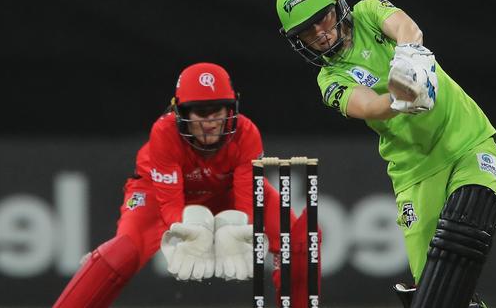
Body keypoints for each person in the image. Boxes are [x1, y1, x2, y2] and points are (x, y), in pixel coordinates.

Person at [275, 0, 496, 308]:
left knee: (466, 222)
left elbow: (408, 31)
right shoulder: (329, 79)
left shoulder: (368, 11)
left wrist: (411, 64)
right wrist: (402, 96)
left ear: (336, 4)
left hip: (468, 140)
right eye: (307, 32)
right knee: (438, 291)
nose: (320, 33)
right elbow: (370, 107)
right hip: (414, 170)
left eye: (321, 19)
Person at [53, 62, 318, 308]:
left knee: (299, 241)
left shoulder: (246, 133)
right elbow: (169, 202)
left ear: (231, 108)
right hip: (156, 191)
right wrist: (187, 228)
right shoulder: (164, 132)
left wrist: (241, 225)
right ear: (181, 112)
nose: (210, 122)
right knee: (124, 251)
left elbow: (247, 195)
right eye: (201, 112)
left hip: (226, 191)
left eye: (217, 110)